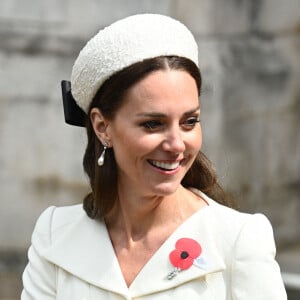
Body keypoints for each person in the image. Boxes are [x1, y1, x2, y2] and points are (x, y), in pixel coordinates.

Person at [21, 14, 287, 299]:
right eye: (153, 124)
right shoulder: (55, 234)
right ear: (102, 127)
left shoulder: (238, 240)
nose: (176, 144)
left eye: (189, 122)